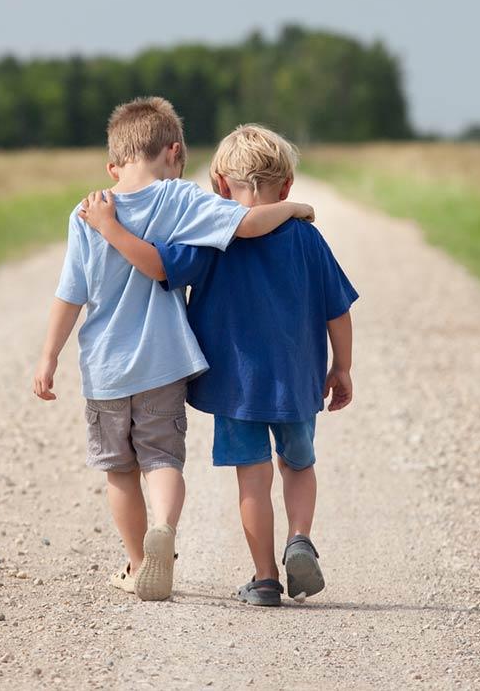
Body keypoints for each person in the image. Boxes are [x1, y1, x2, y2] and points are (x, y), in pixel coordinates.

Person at [33, 100, 315, 602]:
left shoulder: (86, 213)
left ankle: (140, 562)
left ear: (113, 164)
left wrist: (49, 356)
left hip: (105, 369)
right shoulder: (180, 199)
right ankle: (164, 525)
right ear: (175, 152)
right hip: (164, 362)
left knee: (120, 471)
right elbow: (248, 224)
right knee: (163, 459)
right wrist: (293, 208)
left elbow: (70, 294)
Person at [81, 124, 357, 607]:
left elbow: (158, 267)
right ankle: (299, 537)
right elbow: (338, 309)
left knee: (252, 477)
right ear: (287, 188)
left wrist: (111, 228)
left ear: (220, 186)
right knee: (298, 465)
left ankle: (266, 577)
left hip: (237, 387)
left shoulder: (210, 236)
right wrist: (343, 367)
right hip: (297, 380)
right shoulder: (307, 240)